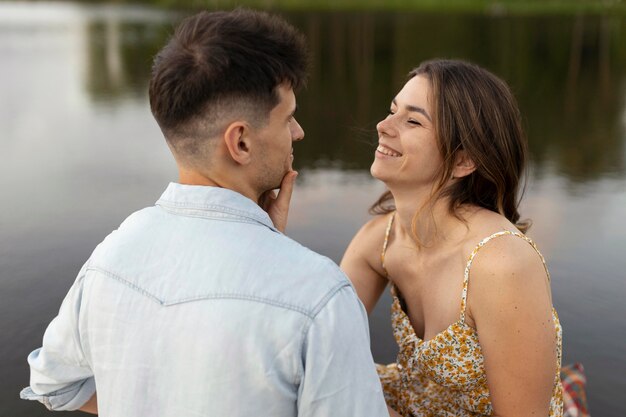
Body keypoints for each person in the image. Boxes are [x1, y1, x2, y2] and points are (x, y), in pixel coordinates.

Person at [20, 9, 390, 417]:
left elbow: (53, 383)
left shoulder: (110, 257)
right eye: (288, 119)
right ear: (241, 143)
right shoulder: (319, 294)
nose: (298, 132)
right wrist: (275, 255)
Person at [341, 59, 563, 417]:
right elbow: (318, 339)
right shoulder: (380, 240)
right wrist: (268, 232)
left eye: (412, 121)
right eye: (391, 111)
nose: (382, 126)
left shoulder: (500, 264)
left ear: (463, 161)